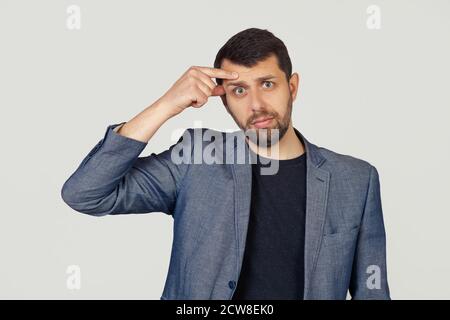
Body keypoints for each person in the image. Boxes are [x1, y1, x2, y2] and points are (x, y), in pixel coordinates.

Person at [61, 28, 390, 300]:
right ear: (223, 98)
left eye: (267, 84)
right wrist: (166, 105)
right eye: (238, 90)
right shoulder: (196, 157)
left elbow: (372, 292)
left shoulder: (356, 179)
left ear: (292, 87)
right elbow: (85, 194)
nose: (256, 104)